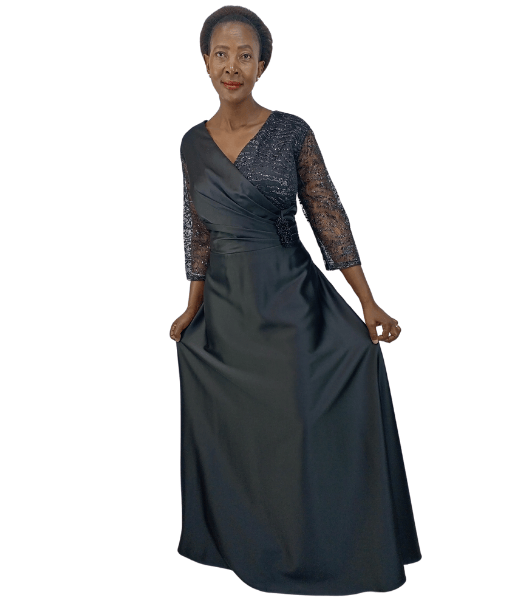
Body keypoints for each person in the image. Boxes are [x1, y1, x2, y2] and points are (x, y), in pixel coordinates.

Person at [170, 6, 422, 595]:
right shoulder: (190, 144)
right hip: (228, 312)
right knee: (247, 436)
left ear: (263, 64)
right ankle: (250, 542)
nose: (232, 66)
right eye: (221, 54)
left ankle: (333, 546)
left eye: (245, 55)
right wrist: (192, 305)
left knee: (314, 414)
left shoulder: (291, 132)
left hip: (293, 301)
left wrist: (368, 302)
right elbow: (196, 227)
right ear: (205, 61)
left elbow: (327, 214)